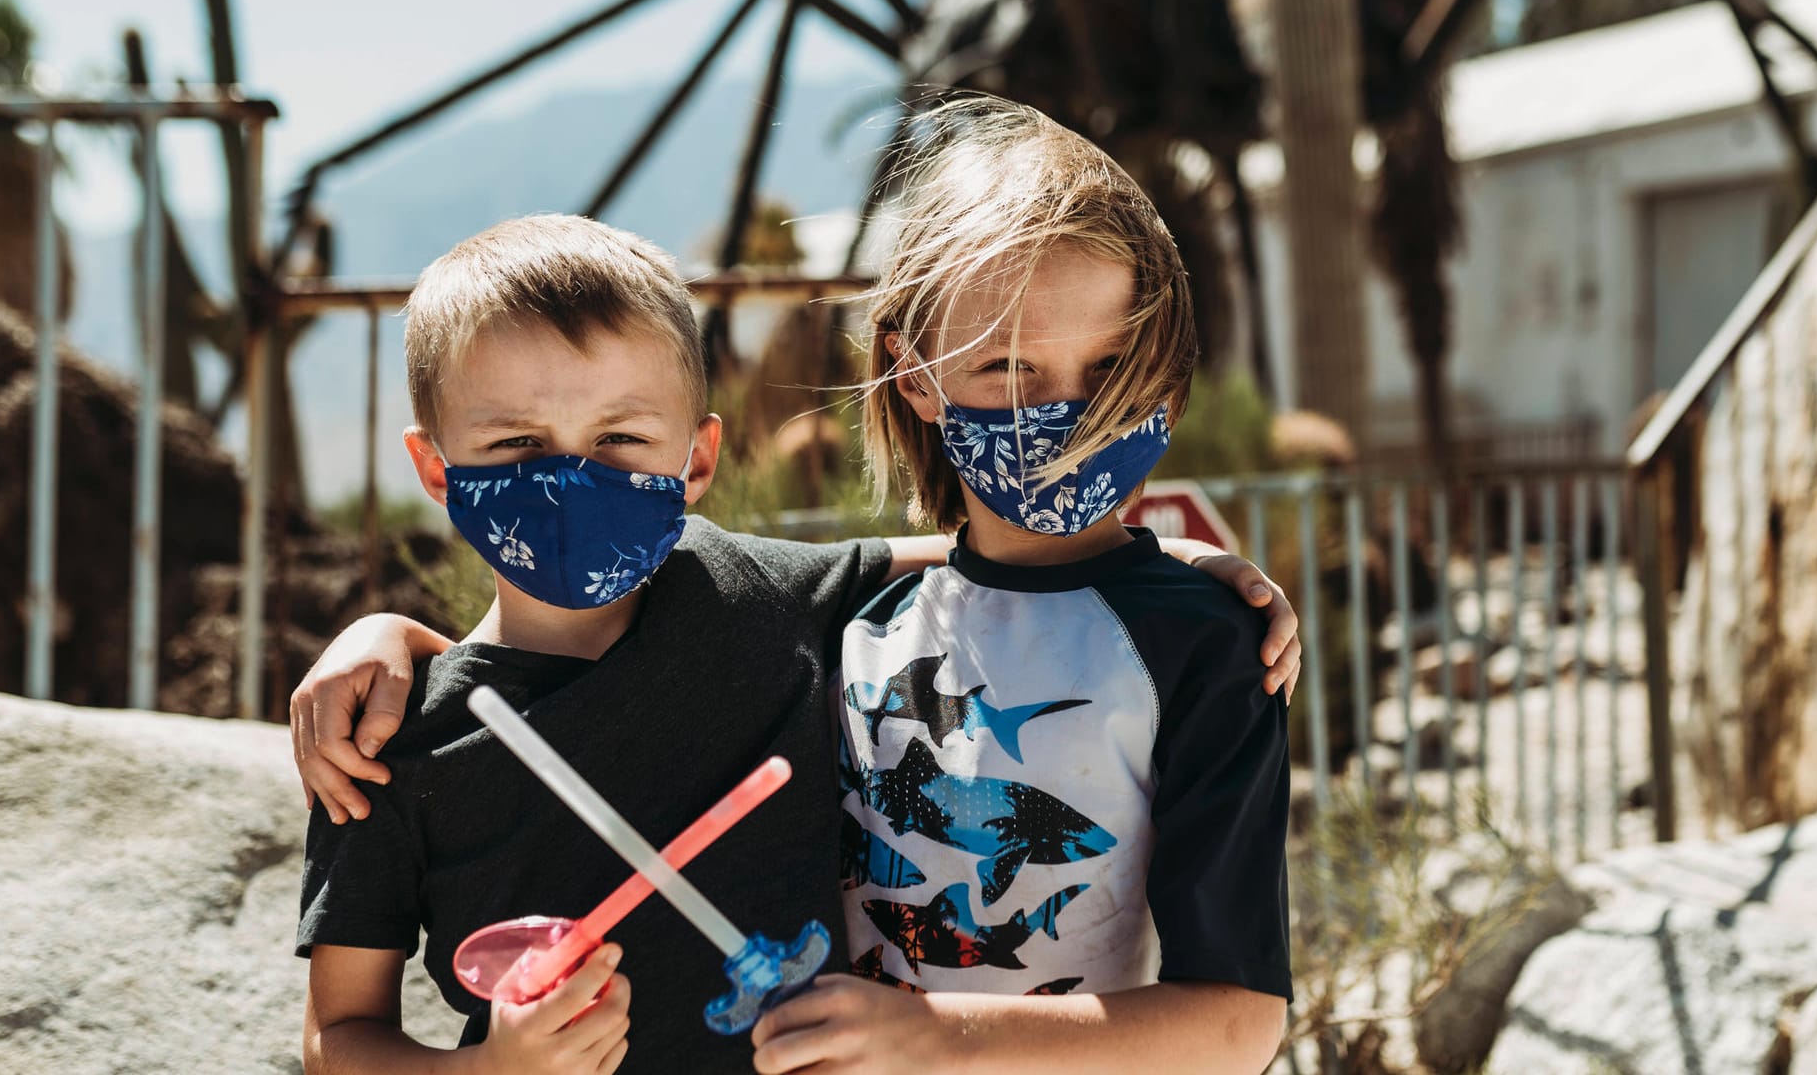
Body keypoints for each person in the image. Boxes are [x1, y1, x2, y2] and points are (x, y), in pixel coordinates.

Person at [294, 214, 1301, 1075]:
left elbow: (982, 556)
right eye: (516, 445)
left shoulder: (749, 591)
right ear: (435, 467)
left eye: (620, 441)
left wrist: (1173, 561)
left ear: (698, 461)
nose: (571, 478)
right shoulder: (384, 742)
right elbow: (339, 1035)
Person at [747, 96, 1292, 1074]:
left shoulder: (1204, 645)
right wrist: (390, 642)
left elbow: (1240, 1020)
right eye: (1006, 366)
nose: (1069, 414)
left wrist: (940, 1039)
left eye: (1110, 366)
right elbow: (596, 643)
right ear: (913, 375)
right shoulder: (852, 619)